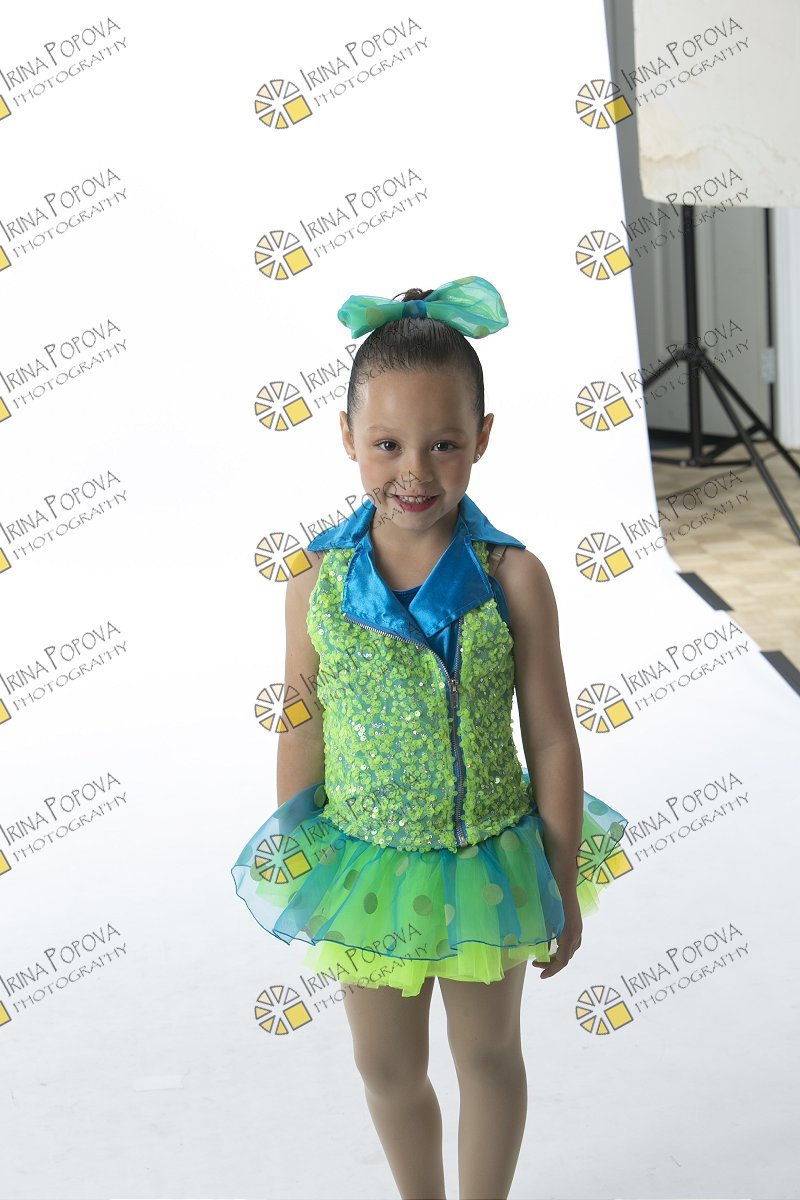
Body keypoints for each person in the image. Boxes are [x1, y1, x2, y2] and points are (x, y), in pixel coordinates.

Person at [231, 275, 628, 1200]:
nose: (414, 471)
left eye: (444, 444)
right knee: (385, 1065)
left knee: (487, 1055)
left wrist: (559, 875)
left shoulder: (513, 577)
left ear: (482, 438)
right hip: (364, 864)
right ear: (347, 437)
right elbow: (301, 721)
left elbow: (552, 737)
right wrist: (300, 856)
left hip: (487, 859)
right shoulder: (316, 581)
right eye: (388, 444)